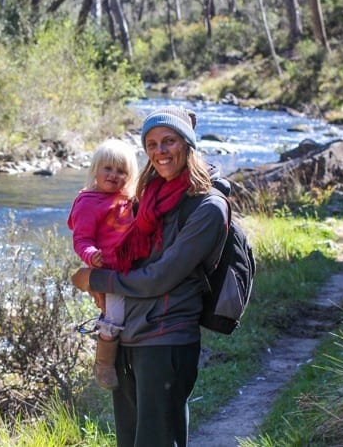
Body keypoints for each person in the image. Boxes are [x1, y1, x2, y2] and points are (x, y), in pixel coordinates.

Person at [71, 106, 230, 447]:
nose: (160, 152)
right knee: (129, 440)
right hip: (131, 332)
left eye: (169, 141)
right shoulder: (149, 196)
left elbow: (159, 277)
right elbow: (124, 253)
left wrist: (94, 280)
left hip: (166, 336)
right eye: (152, 144)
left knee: (157, 440)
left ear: (187, 145)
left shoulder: (208, 208)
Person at [67, 138, 139, 390]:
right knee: (115, 315)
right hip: (107, 269)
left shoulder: (127, 199)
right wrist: (91, 255)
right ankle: (104, 364)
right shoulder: (88, 202)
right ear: (95, 170)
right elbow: (81, 239)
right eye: (108, 169)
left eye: (121, 171)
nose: (114, 175)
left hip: (130, 266)